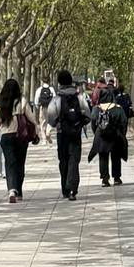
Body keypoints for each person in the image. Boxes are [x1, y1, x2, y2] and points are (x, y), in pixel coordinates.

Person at [47, 69, 91, 201]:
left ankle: (65, 188)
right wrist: (79, 123)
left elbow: (51, 118)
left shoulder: (56, 99)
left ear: (59, 82)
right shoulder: (79, 97)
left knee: (63, 160)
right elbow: (87, 115)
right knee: (74, 160)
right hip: (76, 134)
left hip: (62, 134)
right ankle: (73, 188)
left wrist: (57, 125)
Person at [0, 78, 33, 204]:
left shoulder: (0, 103)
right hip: (20, 136)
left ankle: (12, 190)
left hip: (6, 137)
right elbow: (30, 117)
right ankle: (18, 190)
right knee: (20, 163)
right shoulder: (22, 101)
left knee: (10, 163)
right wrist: (37, 128)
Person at [94, 73, 133, 186]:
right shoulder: (117, 108)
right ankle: (116, 177)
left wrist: (97, 131)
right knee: (116, 156)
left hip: (102, 136)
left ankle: (105, 179)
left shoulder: (97, 109)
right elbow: (124, 121)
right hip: (115, 136)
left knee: (103, 156)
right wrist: (122, 133)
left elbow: (92, 120)